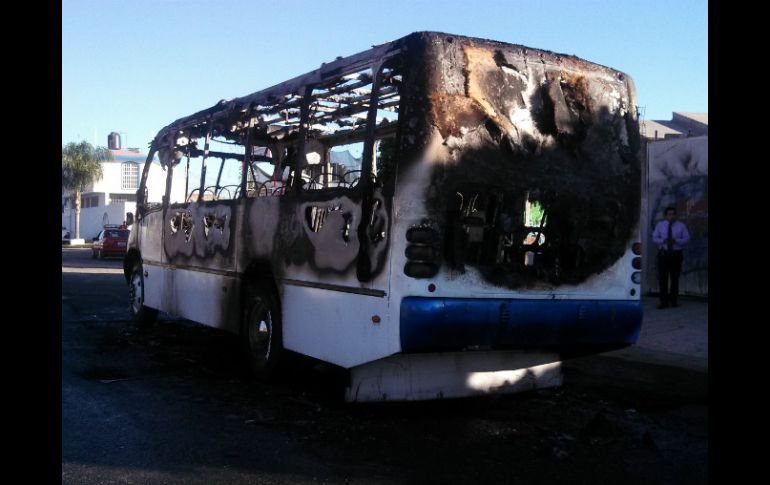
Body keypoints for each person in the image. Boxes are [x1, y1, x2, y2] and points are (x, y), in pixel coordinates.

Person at [652, 206, 691, 308]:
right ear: (665, 216)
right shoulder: (660, 225)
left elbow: (687, 238)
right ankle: (663, 302)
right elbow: (654, 238)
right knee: (663, 279)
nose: (671, 216)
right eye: (669, 214)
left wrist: (677, 240)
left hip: (676, 255)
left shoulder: (681, 226)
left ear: (676, 215)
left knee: (674, 278)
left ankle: (673, 301)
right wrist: (662, 241)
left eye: (673, 214)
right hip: (664, 254)